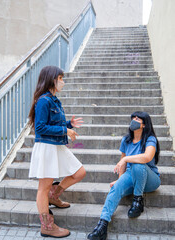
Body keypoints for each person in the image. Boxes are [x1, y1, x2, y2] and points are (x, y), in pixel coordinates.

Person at [28, 66, 86, 238]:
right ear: (51, 79)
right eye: (60, 78)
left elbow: (52, 123)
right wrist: (65, 131)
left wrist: (68, 124)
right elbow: (40, 128)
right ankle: (47, 226)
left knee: (79, 172)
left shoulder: (54, 100)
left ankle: (54, 196)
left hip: (56, 145)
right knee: (43, 187)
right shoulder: (44, 101)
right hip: (46, 146)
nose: (62, 81)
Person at [87, 111, 161, 240]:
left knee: (138, 165)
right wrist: (120, 180)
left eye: (138, 118)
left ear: (144, 124)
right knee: (116, 188)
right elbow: (122, 164)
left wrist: (127, 159)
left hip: (150, 179)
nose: (134, 119)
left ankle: (138, 201)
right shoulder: (126, 140)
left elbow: (147, 157)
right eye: (133, 117)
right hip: (131, 174)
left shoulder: (150, 139)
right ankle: (102, 225)